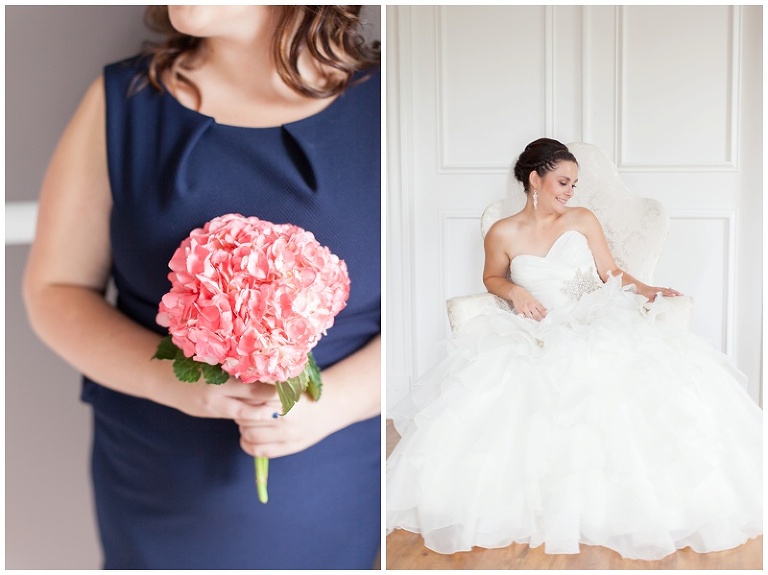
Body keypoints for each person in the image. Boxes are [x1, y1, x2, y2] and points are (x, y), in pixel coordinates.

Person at [23, 6, 380, 570]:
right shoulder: (124, 100)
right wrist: (170, 381)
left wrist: (329, 405)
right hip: (157, 485)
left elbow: (442, 310)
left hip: (339, 479)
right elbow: (54, 288)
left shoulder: (393, 105)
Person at [386, 138, 762, 561]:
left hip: (599, 314)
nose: (569, 191)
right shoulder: (502, 231)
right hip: (540, 324)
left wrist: (651, 290)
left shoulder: (582, 218)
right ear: (535, 178)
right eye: (563, 181)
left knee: (622, 371)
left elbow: (612, 272)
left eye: (574, 184)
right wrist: (516, 291)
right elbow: (492, 277)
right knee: (512, 382)